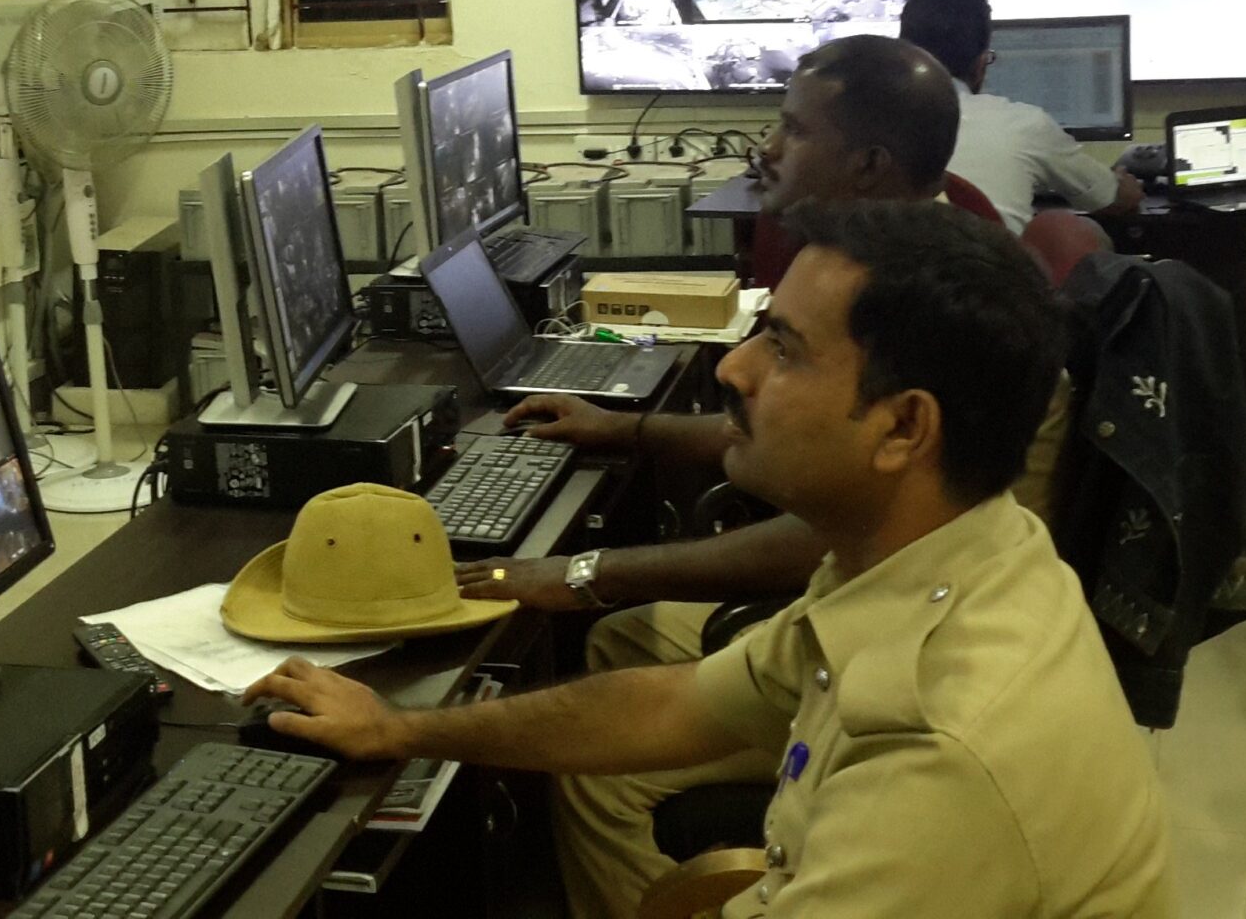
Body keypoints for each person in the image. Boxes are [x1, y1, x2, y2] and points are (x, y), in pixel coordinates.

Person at [249, 203, 1171, 918]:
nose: (734, 370)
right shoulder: (948, 553)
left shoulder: (944, 755)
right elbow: (679, 703)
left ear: (903, 428)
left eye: (783, 349)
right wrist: (401, 730)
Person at [452, 34, 1062, 916]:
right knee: (617, 647)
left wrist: (591, 572)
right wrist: (630, 429)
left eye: (790, 128)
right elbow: (794, 427)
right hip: (892, 598)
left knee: (598, 755)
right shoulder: (916, 247)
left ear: (866, 164)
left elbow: (825, 522)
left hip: (884, 623)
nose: (766, 148)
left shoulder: (917, 307)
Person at [899, 0, 1139, 236]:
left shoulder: (864, 129)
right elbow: (1112, 199)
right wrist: (1126, 185)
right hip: (994, 273)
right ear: (980, 65)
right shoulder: (1027, 125)